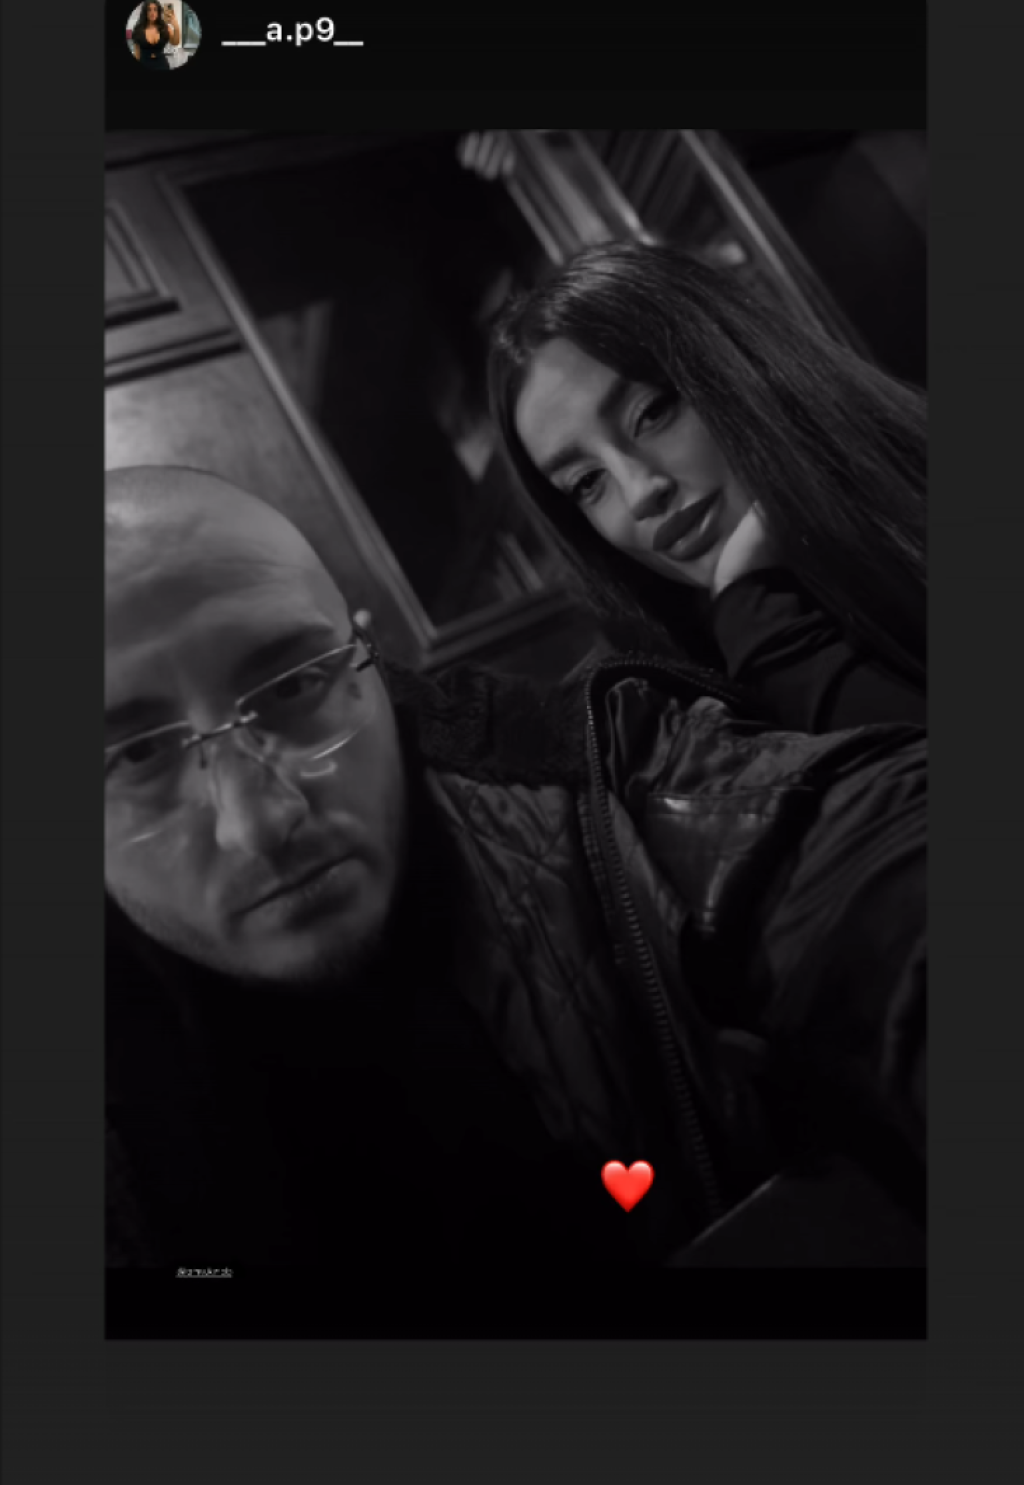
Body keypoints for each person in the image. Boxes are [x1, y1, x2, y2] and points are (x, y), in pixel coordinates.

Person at [105, 465, 926, 1294]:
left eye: (292, 686)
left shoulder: (581, 769)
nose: (256, 822)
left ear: (370, 661)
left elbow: (850, 850)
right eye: (135, 754)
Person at [488, 241, 927, 734]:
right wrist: (755, 613)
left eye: (651, 414)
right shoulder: (676, 727)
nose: (639, 493)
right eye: (587, 482)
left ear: (739, 364)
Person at [130, 0, 180, 71]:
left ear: (158, 12)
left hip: (162, 65)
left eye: (155, 9)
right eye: (149, 10)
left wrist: (176, 27)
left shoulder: (165, 28)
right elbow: (137, 54)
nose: (152, 12)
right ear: (145, 12)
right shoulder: (138, 30)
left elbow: (175, 42)